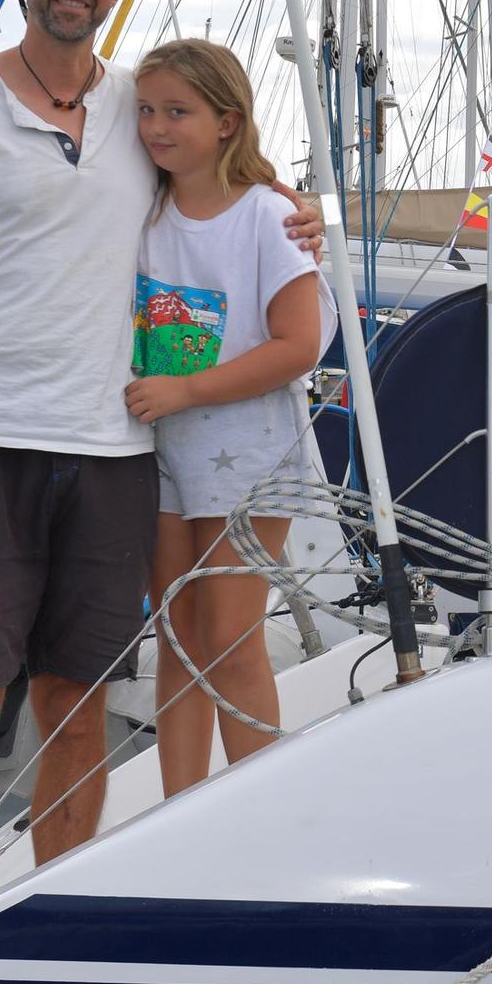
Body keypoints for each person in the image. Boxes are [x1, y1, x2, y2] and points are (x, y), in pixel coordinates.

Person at [0, 0, 323, 917]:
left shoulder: (137, 105)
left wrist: (300, 214)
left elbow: (227, 174)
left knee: (75, 703)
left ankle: (55, 915)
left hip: (117, 455)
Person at [124, 39, 337, 797]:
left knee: (231, 638)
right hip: (163, 451)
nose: (155, 126)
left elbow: (299, 345)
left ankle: (255, 807)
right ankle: (179, 807)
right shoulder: (142, 210)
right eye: (146, 110)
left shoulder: (268, 216)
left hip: (248, 451)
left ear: (227, 121)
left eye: (177, 111)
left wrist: (184, 391)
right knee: (177, 637)